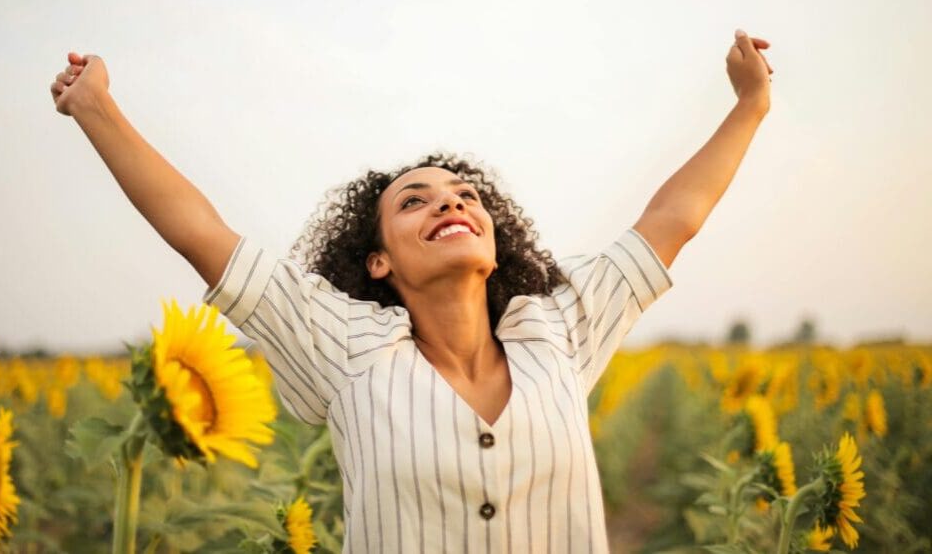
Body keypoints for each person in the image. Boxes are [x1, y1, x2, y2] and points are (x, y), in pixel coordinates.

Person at [48, 29, 773, 553]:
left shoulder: (558, 328)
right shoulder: (345, 350)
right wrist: (96, 107)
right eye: (415, 202)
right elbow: (200, 234)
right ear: (377, 263)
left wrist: (750, 105)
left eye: (465, 196)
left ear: (495, 241)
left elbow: (673, 220)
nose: (451, 205)